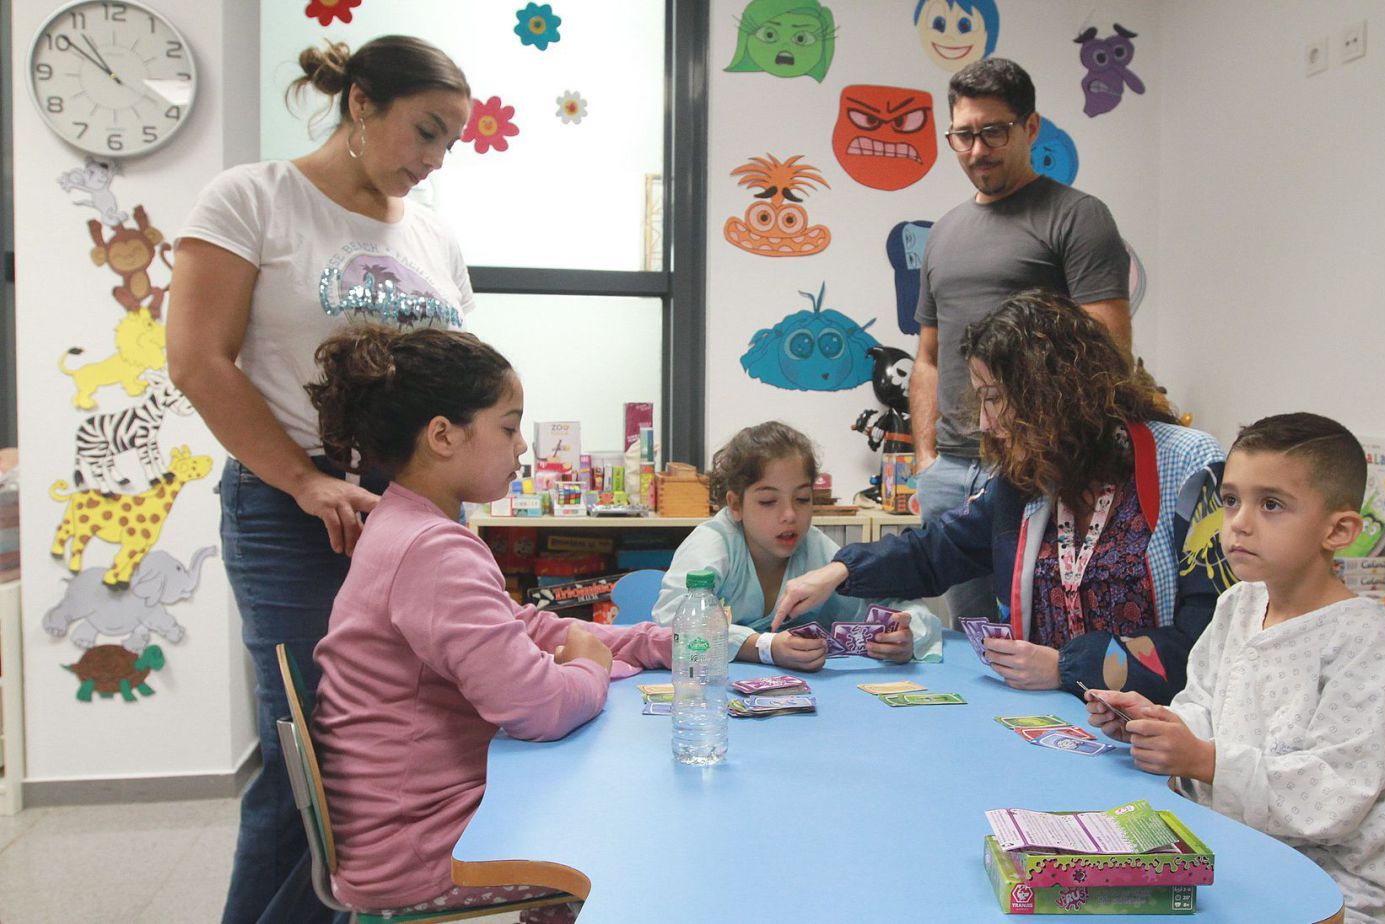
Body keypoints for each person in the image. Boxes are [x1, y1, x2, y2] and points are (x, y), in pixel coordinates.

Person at [166, 36, 475, 922]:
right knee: (312, 750)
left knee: (400, 746)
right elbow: (197, 360)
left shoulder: (432, 236)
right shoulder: (253, 198)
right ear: (361, 103)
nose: (435, 158)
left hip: (413, 514)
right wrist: (304, 482)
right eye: (425, 131)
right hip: (293, 508)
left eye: (451, 142)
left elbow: (454, 380)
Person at [307, 327, 672, 918]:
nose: (522, 446)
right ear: (443, 435)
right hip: (423, 852)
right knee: (644, 829)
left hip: (403, 830)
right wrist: (590, 667)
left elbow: (521, 626)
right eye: (508, 427)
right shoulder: (433, 550)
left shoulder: (406, 525)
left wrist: (655, 643)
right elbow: (539, 707)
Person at [776, 290, 1226, 703]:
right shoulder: (1029, 476)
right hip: (1054, 717)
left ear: (1054, 392)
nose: (985, 424)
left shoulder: (1189, 464)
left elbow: (1209, 641)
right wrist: (840, 571)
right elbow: (937, 550)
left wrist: (1068, 667)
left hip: (1159, 729)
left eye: (993, 398)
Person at [1084, 413, 1385, 924]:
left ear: (1338, 530)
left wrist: (1205, 761)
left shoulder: (1361, 642)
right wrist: (1159, 726)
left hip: (1324, 892)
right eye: (1231, 500)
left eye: (1271, 504)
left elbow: (1330, 798)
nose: (1239, 522)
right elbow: (1205, 705)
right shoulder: (1239, 603)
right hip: (1228, 848)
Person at [911, 57, 1132, 624]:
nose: (977, 150)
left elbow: (1108, 356)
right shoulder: (942, 233)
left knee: (1039, 632)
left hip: (1036, 470)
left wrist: (1064, 462)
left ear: (1031, 128)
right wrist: (927, 459)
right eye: (963, 135)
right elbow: (928, 358)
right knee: (970, 636)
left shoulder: (1077, 217)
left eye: (994, 132)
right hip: (952, 469)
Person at [654, 421, 941, 668]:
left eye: (802, 499)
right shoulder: (713, 544)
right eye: (768, 501)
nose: (790, 515)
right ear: (736, 505)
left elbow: (897, 605)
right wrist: (763, 647)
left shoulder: (814, 547)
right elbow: (673, 625)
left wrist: (906, 637)